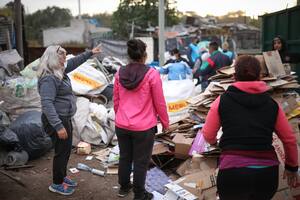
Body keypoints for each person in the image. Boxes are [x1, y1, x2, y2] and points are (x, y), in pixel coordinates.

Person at [202, 55, 298, 200]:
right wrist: (292, 167)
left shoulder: (221, 101)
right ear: (260, 76)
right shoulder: (272, 105)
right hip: (266, 177)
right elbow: (289, 140)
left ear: (234, 76)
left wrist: (214, 144)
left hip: (232, 175)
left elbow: (208, 134)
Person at [37, 45, 101, 195]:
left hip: (63, 117)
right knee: (61, 152)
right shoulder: (49, 78)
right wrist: (59, 127)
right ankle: (57, 183)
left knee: (65, 151)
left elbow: (74, 62)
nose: (65, 60)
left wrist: (90, 53)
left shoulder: (59, 71)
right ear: (54, 58)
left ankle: (62, 176)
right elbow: (47, 104)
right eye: (63, 57)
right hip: (56, 120)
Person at [113, 39, 169, 200]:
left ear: (129, 56)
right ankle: (139, 194)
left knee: (124, 157)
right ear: (144, 56)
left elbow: (116, 100)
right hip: (144, 128)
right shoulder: (152, 74)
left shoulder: (119, 73)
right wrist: (165, 122)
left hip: (122, 124)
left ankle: (123, 187)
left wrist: (121, 117)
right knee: (141, 161)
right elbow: (159, 102)